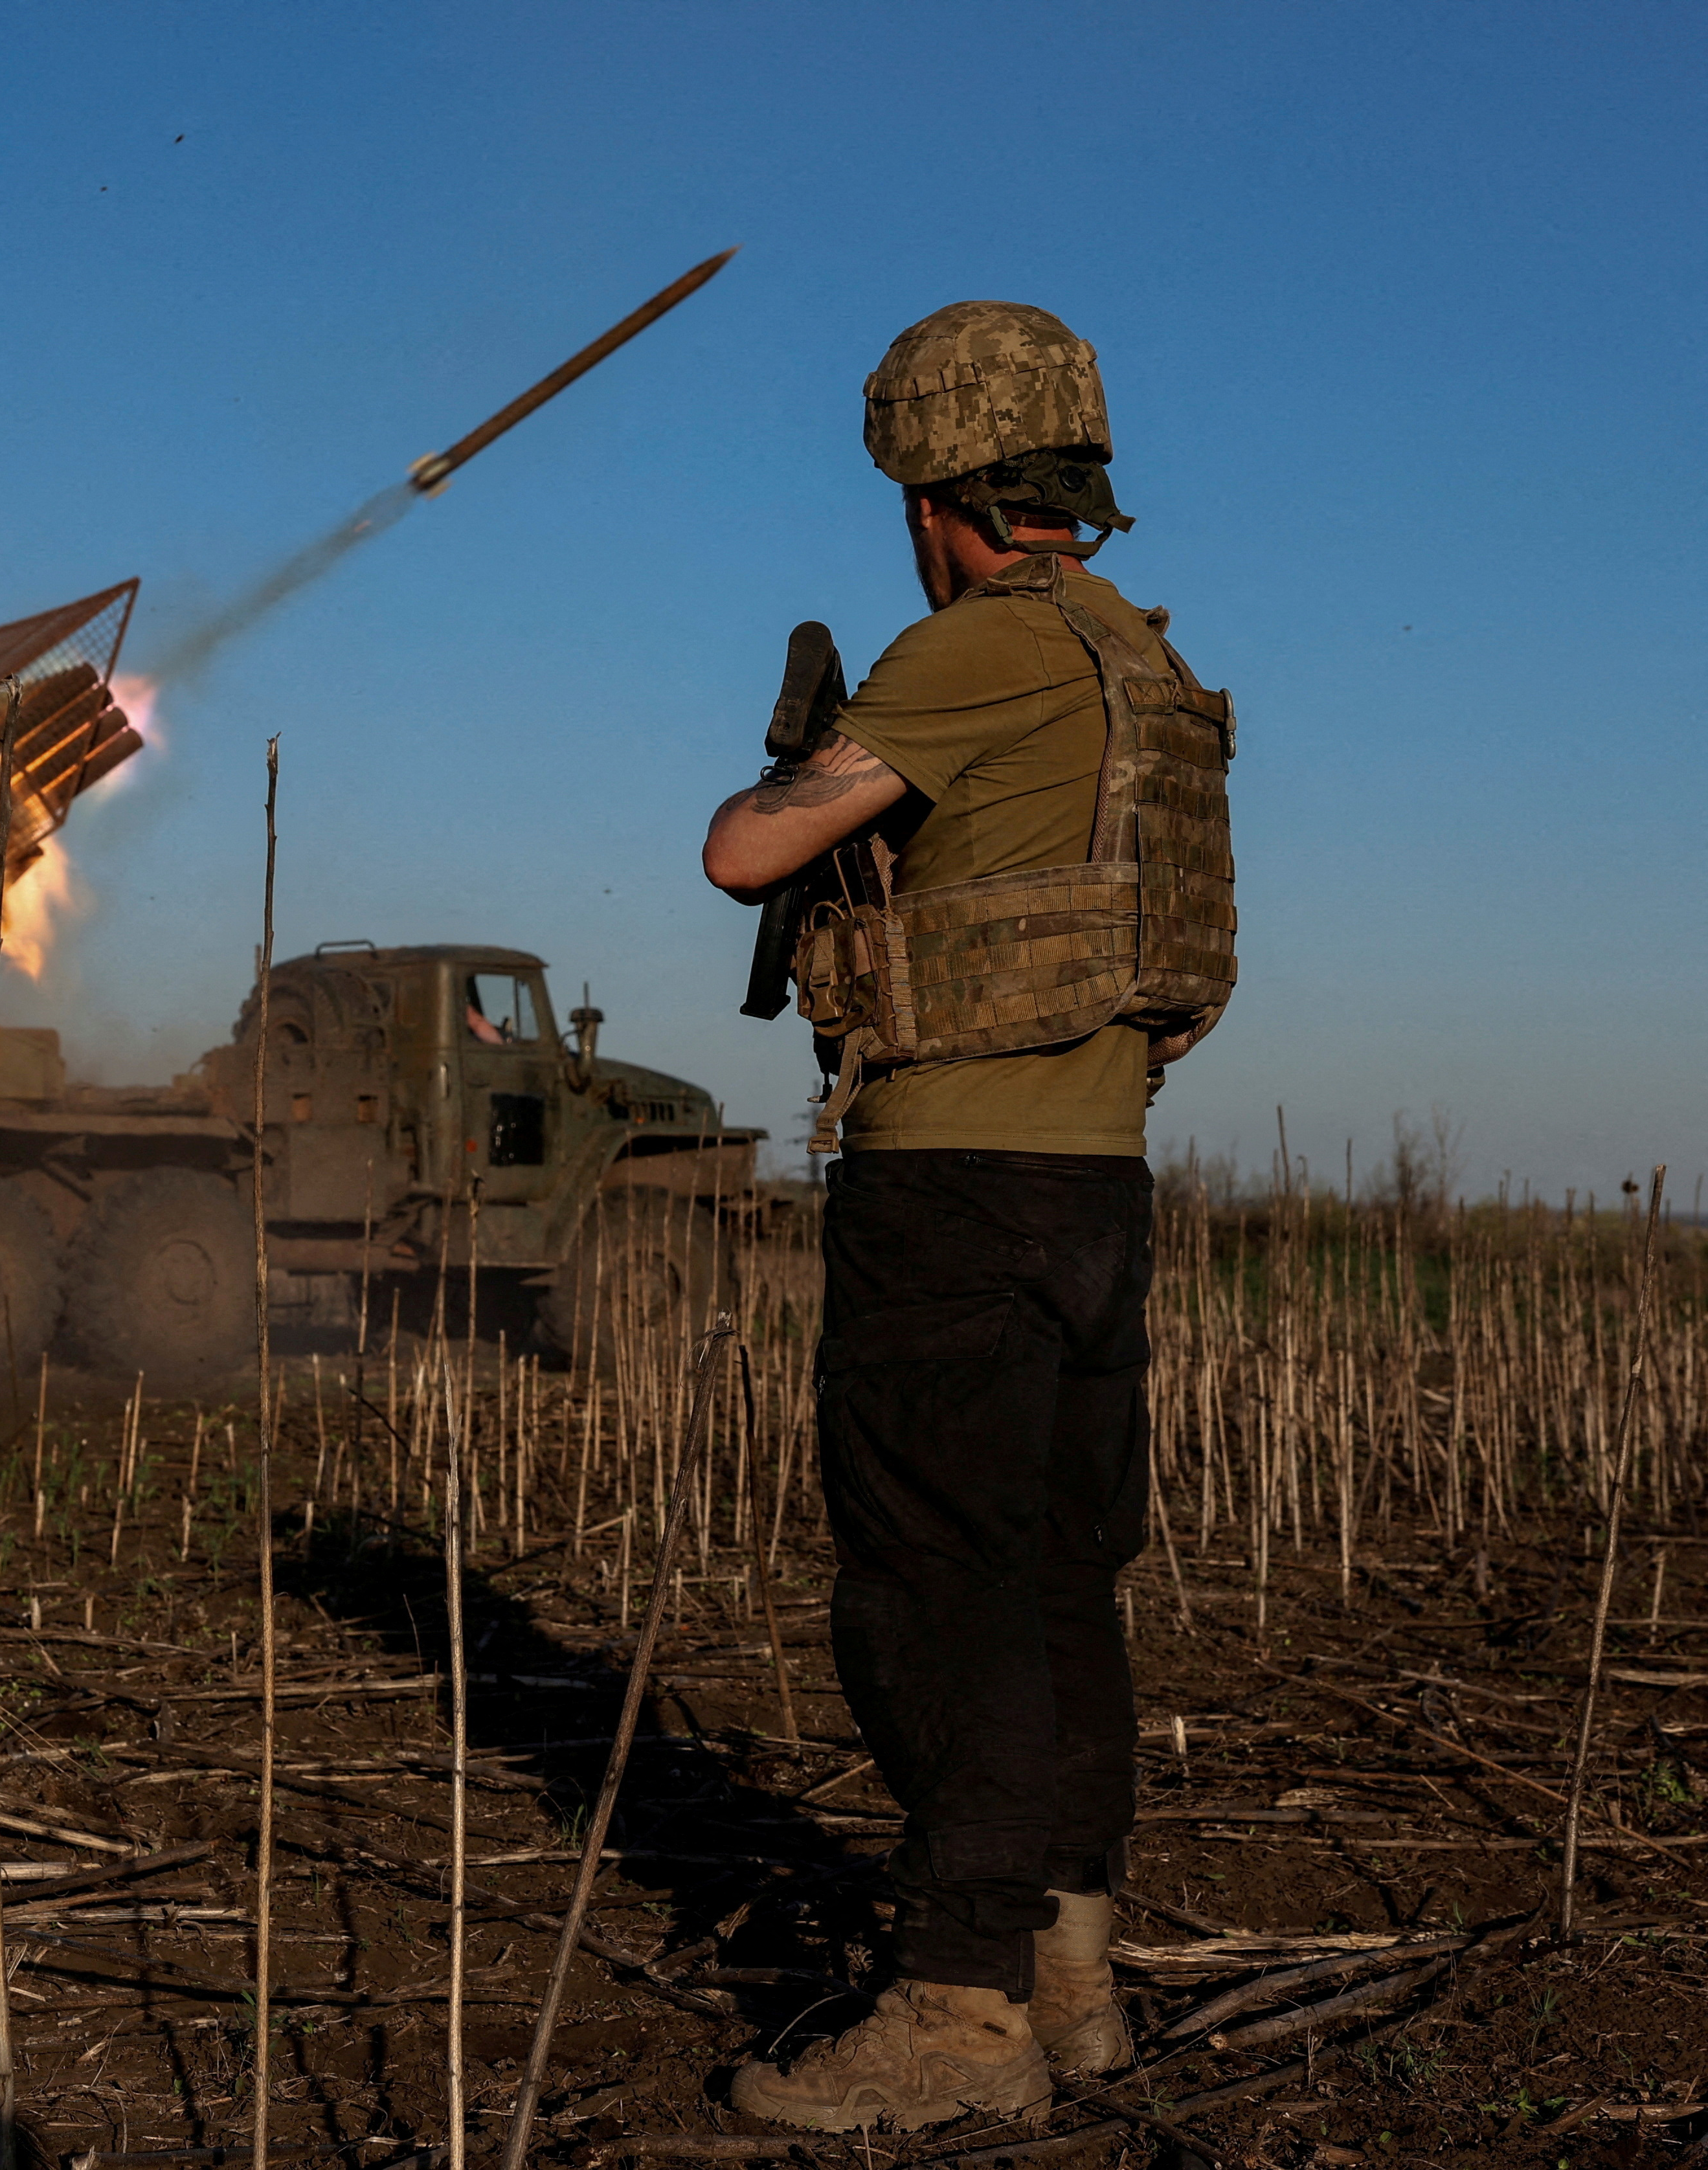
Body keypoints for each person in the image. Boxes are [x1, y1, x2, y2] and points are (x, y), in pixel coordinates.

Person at [695, 302, 1235, 2134]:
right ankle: (1062, 1968)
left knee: (932, 1591)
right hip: (1094, 1180)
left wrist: (799, 758)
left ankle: (953, 2008)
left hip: (953, 1185)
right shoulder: (1134, 661)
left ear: (934, 488)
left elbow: (743, 850)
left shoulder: (974, 650)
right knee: (1053, 1580)